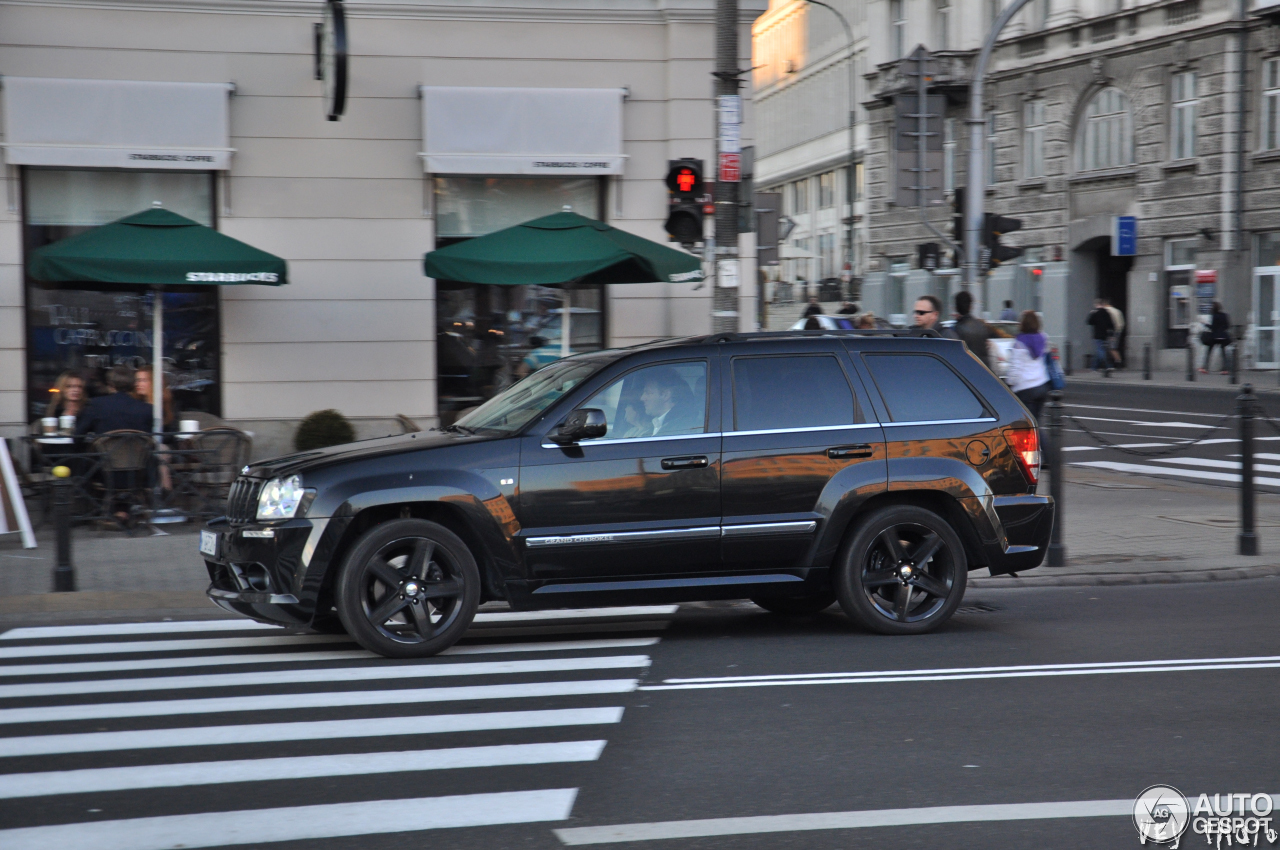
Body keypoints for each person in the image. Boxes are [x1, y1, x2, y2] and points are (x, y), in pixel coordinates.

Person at [77, 365, 153, 435]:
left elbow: (79, 434)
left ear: (110, 384)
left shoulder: (95, 405)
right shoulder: (147, 409)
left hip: (105, 449)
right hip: (138, 449)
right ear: (132, 384)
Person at [1005, 310, 1051, 420]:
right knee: (1036, 423)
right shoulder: (1043, 338)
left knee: (1028, 427)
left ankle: (1042, 438)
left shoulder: (1020, 342)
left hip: (1025, 388)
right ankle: (1041, 437)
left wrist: (1009, 383)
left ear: (1023, 324)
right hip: (1041, 384)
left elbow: (1016, 368)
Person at [640, 369, 702, 436]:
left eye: (648, 393)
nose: (642, 398)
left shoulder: (682, 429)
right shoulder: (656, 427)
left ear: (665, 395)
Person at [948, 291, 997, 371]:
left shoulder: (955, 329)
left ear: (956, 307)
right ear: (971, 306)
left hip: (965, 372)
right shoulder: (982, 326)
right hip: (984, 370)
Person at [133, 365, 177, 432]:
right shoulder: (135, 404)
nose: (137, 384)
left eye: (143, 380)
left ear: (154, 382)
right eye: (137, 380)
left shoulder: (167, 405)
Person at [1201, 301, 1232, 374]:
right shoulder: (1224, 315)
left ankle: (1205, 368)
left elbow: (1213, 327)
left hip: (1214, 337)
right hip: (1223, 337)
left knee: (1209, 352)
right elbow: (1227, 326)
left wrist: (1205, 324)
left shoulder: (1214, 316)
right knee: (1224, 353)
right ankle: (1225, 369)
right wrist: (1222, 330)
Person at [1087, 298, 1115, 375]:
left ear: (1097, 305)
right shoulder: (1107, 313)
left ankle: (1108, 365)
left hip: (1097, 335)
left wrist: (1091, 314)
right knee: (1099, 351)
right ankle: (1094, 367)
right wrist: (1111, 335)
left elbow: (1089, 322)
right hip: (1105, 335)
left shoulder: (1095, 313)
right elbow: (1111, 324)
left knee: (1100, 351)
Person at [1103, 298, 1125, 368]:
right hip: (1118, 330)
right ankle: (1118, 362)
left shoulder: (1107, 311)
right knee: (1113, 347)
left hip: (1111, 331)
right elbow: (1122, 323)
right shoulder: (1117, 311)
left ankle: (1117, 362)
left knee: (1111, 348)